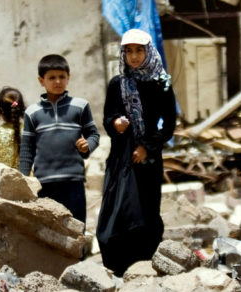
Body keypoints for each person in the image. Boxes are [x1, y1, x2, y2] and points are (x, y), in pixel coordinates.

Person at [96, 29, 178, 276]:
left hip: (148, 157)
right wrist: (115, 124)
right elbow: (108, 118)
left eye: (139, 50)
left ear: (148, 51)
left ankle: (146, 262)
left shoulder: (162, 82)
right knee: (116, 208)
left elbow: (169, 124)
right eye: (129, 51)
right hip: (121, 155)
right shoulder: (117, 83)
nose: (133, 56)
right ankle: (117, 266)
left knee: (146, 208)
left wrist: (146, 148)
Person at [19, 54, 100, 224]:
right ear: (41, 81)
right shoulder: (32, 113)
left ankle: (80, 253)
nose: (57, 81)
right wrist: (24, 178)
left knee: (76, 228)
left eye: (62, 77)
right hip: (44, 183)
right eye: (52, 77)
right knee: (48, 230)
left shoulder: (80, 106)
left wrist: (87, 146)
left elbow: (94, 135)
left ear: (68, 78)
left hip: (73, 180)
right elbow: (27, 149)